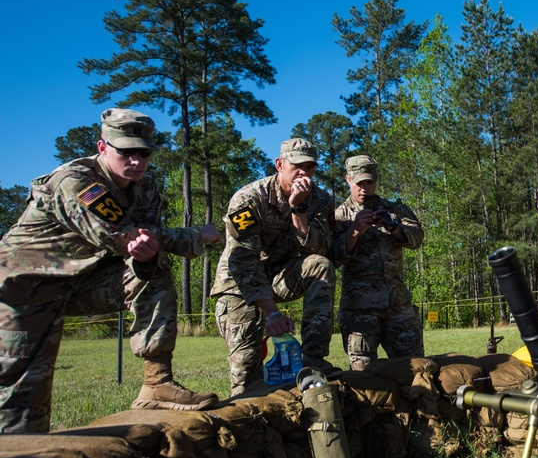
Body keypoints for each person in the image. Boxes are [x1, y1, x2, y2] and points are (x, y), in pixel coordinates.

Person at [0, 108, 221, 433]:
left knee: (151, 267)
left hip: (80, 281)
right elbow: (122, 234)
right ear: (103, 147)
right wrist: (195, 235)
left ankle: (156, 385)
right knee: (22, 401)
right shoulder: (75, 181)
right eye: (126, 152)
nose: (136, 161)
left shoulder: (146, 189)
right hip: (23, 291)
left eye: (143, 153)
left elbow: (146, 241)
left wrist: (147, 251)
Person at [211, 138, 338, 396]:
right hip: (239, 286)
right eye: (297, 166)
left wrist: (298, 210)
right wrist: (271, 314)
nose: (304, 173)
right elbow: (243, 262)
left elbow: (320, 250)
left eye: (310, 167)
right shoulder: (249, 198)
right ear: (280, 165)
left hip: (280, 276)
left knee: (320, 266)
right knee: (248, 370)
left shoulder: (320, 200)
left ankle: (313, 359)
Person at [331, 154, 424, 370]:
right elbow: (332, 256)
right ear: (348, 180)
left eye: (369, 182)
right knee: (364, 376)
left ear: (376, 181)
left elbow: (417, 237)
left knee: (415, 369)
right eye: (359, 183)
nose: (364, 189)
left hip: (398, 306)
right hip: (359, 312)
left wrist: (393, 226)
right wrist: (354, 231)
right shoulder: (338, 216)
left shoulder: (395, 210)